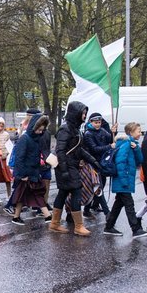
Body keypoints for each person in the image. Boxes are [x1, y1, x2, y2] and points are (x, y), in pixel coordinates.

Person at [48, 101, 101, 236]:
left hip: (70, 166)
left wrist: (93, 161)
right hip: (66, 167)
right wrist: (65, 170)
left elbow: (80, 149)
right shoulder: (65, 129)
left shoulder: (75, 128)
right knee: (76, 192)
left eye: (85, 113)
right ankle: (78, 226)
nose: (84, 116)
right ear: (75, 113)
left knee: (63, 193)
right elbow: (60, 150)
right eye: (83, 113)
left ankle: (55, 223)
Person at [104, 121, 147, 237]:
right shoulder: (126, 143)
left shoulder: (132, 144)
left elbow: (140, 160)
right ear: (131, 132)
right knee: (129, 204)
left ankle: (109, 226)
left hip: (125, 179)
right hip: (123, 180)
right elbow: (120, 162)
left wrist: (136, 149)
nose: (140, 133)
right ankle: (136, 229)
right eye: (138, 131)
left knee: (118, 204)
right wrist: (124, 181)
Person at [11, 115, 50, 224]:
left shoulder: (36, 139)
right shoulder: (25, 138)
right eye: (38, 129)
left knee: (22, 195)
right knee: (33, 194)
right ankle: (48, 216)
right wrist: (22, 175)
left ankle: (16, 217)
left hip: (32, 172)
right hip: (26, 174)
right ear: (33, 127)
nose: (40, 132)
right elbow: (19, 157)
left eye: (42, 130)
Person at [81, 112, 112, 220]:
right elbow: (94, 149)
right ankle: (107, 213)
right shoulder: (88, 134)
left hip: (102, 163)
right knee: (98, 188)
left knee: (99, 186)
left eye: (99, 122)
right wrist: (109, 146)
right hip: (92, 164)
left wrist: (113, 132)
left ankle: (87, 209)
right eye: (96, 122)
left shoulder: (102, 130)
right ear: (91, 122)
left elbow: (110, 139)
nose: (98, 124)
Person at [0, 118, 13, 199]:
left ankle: (9, 195)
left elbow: (9, 146)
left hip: (4, 159)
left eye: (2, 126)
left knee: (7, 178)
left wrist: (8, 153)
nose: (0, 128)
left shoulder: (6, 134)